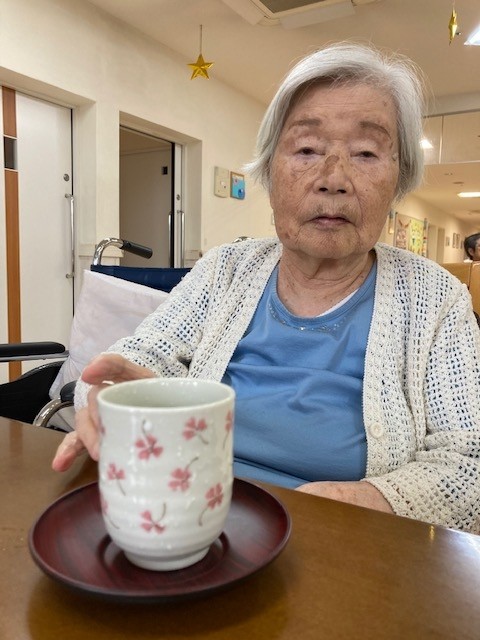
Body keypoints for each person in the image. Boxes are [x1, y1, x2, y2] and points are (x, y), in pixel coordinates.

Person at [53, 42, 480, 533]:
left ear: (398, 180)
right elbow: (145, 355)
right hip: (188, 514)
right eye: (306, 149)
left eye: (365, 153)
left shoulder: (435, 297)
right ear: (270, 172)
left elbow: (468, 462)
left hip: (342, 540)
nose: (333, 179)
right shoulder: (225, 268)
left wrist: (355, 501)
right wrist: (116, 395)